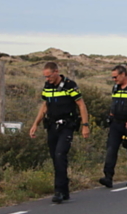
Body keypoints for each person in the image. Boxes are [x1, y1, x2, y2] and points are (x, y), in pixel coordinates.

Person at [29, 62, 89, 204]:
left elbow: (81, 104)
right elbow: (44, 106)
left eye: (49, 76)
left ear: (56, 72)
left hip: (66, 125)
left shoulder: (69, 85)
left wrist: (85, 125)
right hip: (51, 126)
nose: (47, 79)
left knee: (60, 154)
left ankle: (59, 191)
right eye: (45, 76)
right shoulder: (47, 86)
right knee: (56, 158)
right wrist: (35, 124)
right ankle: (65, 189)